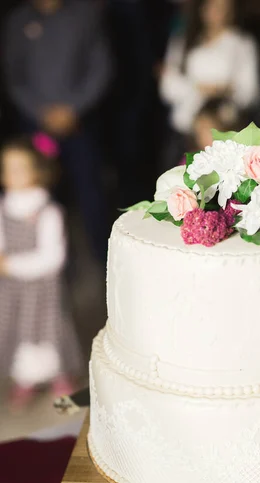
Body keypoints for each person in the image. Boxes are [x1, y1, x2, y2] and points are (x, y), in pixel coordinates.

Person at [3, 0, 112, 263]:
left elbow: (102, 66)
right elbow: (13, 75)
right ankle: (36, 266)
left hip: (78, 125)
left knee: (91, 196)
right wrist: (41, 112)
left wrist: (74, 108)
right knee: (33, 196)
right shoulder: (18, 20)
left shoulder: (84, 14)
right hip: (36, 126)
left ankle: (106, 263)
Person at [0, 134, 82, 410]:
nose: (12, 174)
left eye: (20, 168)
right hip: (14, 290)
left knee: (49, 333)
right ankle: (26, 379)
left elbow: (53, 258)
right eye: (7, 168)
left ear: (38, 171)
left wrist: (11, 265)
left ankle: (59, 376)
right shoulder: (4, 208)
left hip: (43, 289)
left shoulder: (48, 212)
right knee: (19, 333)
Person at [160, 0, 260, 167]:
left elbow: (251, 92)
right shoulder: (185, 40)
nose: (217, 13)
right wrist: (198, 88)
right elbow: (168, 86)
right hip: (185, 128)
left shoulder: (241, 44)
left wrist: (226, 92)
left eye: (224, 9)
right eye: (213, 7)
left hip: (221, 131)